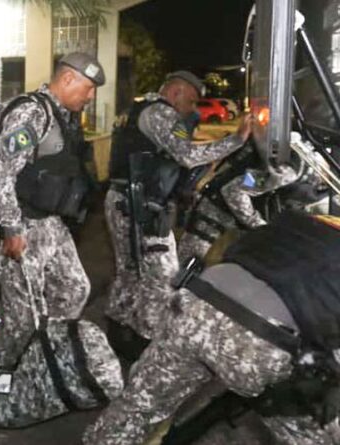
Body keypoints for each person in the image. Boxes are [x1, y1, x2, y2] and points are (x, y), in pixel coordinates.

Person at [84, 211, 340, 445]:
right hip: (257, 344)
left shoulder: (309, 220)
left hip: (197, 303)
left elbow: (238, 248)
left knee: (139, 406)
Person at [105, 70, 252, 350]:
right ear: (176, 93)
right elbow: (186, 155)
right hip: (140, 206)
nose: (192, 108)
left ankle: (117, 329)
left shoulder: (140, 110)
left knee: (130, 271)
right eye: (192, 101)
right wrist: (237, 139)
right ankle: (144, 338)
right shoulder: (161, 114)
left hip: (123, 199)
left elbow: (169, 155)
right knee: (163, 275)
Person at [0, 52, 104, 368]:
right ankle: (2, 370)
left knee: (75, 288)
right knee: (22, 314)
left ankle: (42, 355)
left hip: (50, 221)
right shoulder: (31, 114)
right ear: (67, 79)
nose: (91, 97)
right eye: (88, 88)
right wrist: (11, 229)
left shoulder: (64, 116)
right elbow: (0, 173)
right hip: (21, 221)